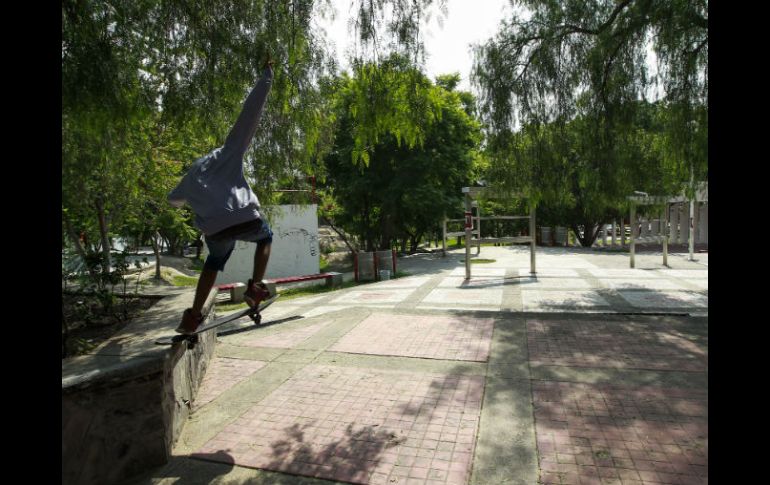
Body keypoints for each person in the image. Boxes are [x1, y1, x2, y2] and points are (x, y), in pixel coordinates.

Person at [168, 54, 275, 334]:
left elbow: (174, 200)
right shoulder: (227, 152)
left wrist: (190, 199)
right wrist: (266, 78)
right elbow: (249, 115)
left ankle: (192, 317)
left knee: (212, 263)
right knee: (266, 237)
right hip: (243, 216)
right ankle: (255, 287)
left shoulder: (191, 174)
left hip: (213, 228)